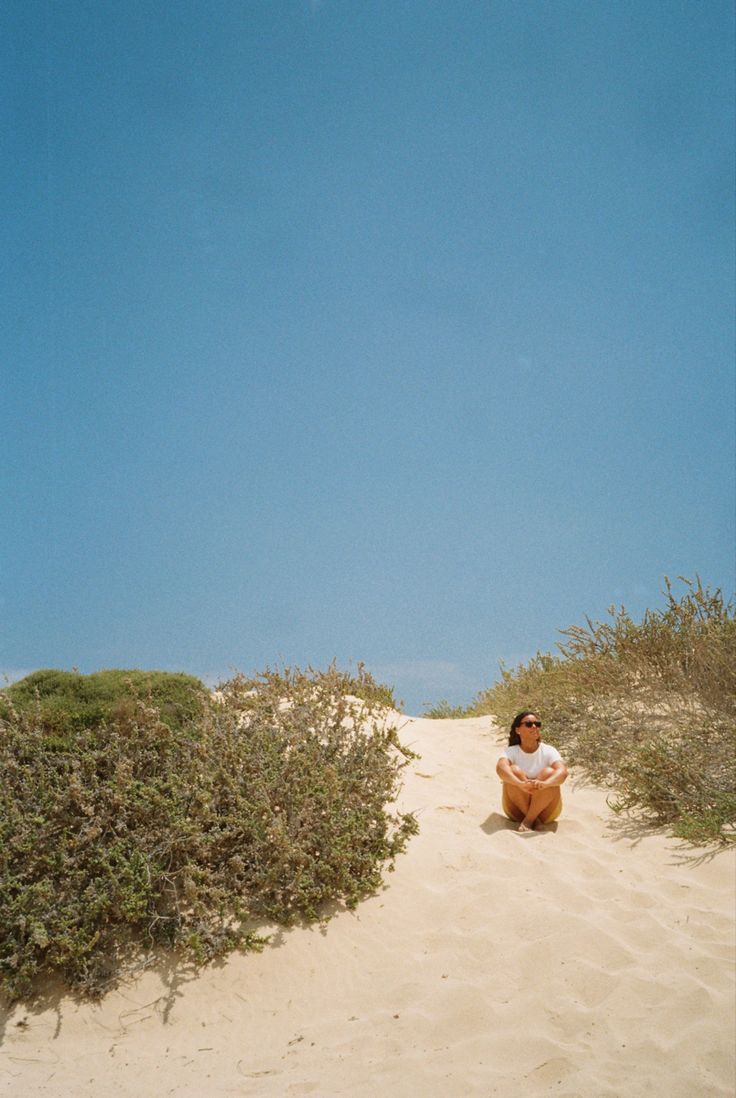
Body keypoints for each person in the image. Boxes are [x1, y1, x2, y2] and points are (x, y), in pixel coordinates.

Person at [495, 711, 568, 832]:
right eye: (529, 724)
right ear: (518, 730)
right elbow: (500, 768)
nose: (534, 727)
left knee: (549, 773)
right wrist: (520, 784)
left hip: (547, 811)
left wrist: (546, 784)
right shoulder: (511, 751)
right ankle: (535, 820)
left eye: (537, 724)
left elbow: (563, 772)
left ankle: (529, 820)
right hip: (516, 810)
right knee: (514, 770)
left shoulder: (548, 750)